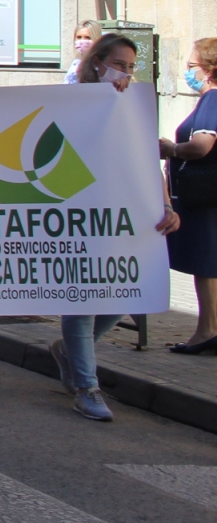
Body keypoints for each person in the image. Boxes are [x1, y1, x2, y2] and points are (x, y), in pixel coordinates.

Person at [54, 33, 177, 420]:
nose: (124, 73)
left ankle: (70, 351)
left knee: (124, 291)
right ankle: (87, 388)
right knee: (82, 299)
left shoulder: (133, 106)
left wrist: (166, 204)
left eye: (129, 66)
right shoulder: (69, 101)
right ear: (96, 63)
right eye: (119, 64)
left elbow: (146, 160)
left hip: (121, 218)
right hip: (78, 216)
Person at [161, 37, 217, 357]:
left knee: (205, 264)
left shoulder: (212, 100)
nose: (188, 72)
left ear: (209, 70)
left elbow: (201, 146)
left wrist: (171, 149)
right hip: (208, 195)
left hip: (203, 196)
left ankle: (207, 329)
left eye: (192, 65)